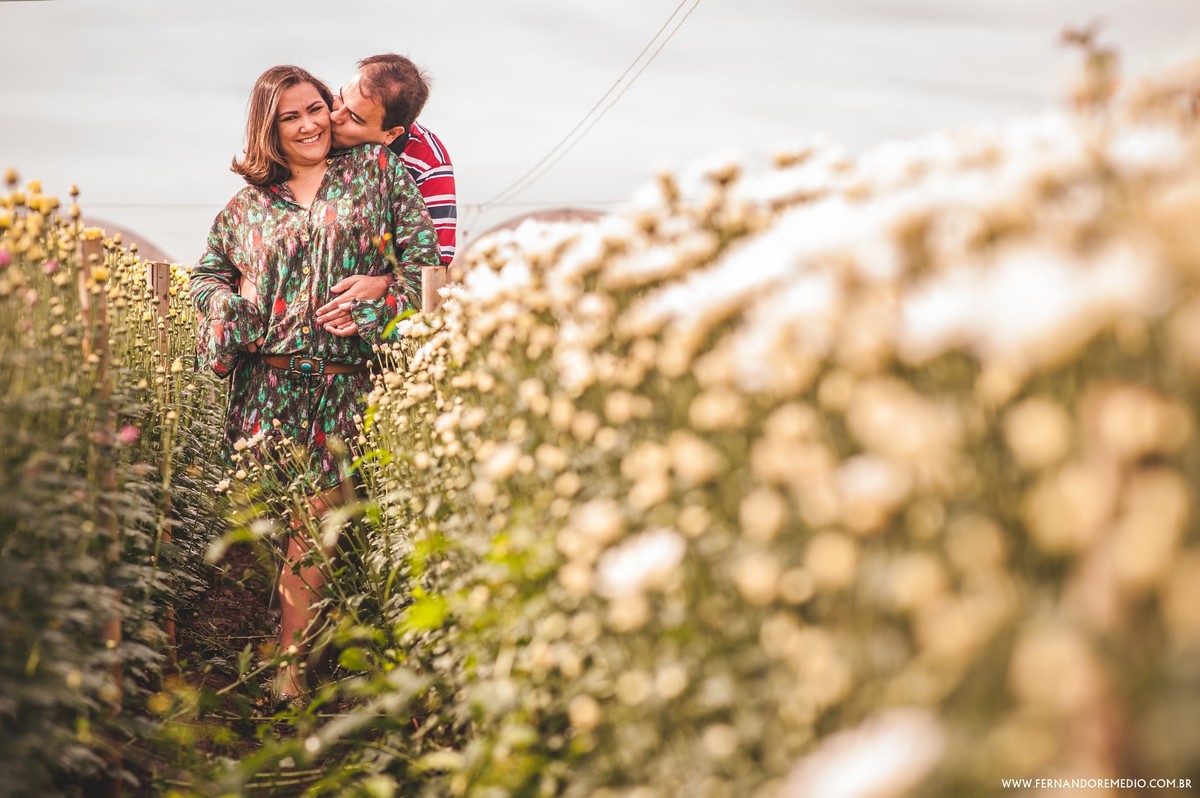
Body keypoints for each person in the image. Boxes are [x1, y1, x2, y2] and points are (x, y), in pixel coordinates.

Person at [189, 64, 440, 700]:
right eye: (289, 117)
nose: (309, 124)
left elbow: (427, 270)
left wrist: (379, 302)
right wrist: (226, 307)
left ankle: (289, 671)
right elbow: (206, 277)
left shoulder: (378, 176)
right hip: (264, 391)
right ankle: (301, 640)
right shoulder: (246, 208)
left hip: (343, 385)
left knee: (313, 527)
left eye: (315, 108)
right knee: (278, 530)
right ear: (267, 128)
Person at [314, 53, 456, 336]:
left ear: (391, 134)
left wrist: (384, 282)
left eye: (353, 118)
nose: (334, 117)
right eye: (341, 98)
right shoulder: (318, 111)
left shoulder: (428, 165)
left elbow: (436, 268)